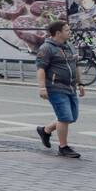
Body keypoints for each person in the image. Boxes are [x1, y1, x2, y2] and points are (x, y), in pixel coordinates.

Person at [35, 20, 84, 158]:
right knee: (65, 117)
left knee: (72, 117)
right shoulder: (46, 48)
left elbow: (76, 65)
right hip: (55, 87)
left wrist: (81, 84)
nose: (70, 32)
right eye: (67, 30)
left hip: (71, 87)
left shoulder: (69, 46)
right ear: (58, 33)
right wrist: (42, 87)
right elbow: (41, 69)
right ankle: (63, 147)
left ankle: (45, 131)